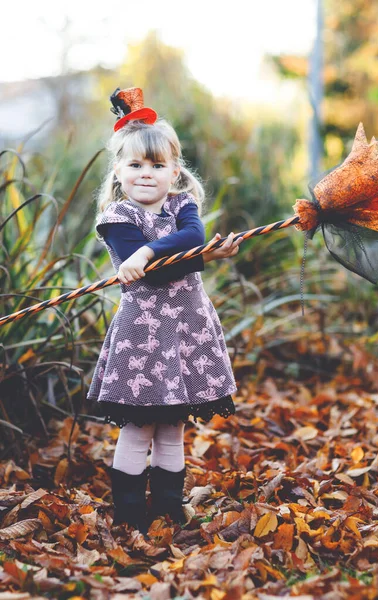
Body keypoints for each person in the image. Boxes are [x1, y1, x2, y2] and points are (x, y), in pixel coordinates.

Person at [86, 87, 243, 538]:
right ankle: (131, 514)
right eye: (135, 165)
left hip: (186, 330)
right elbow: (152, 276)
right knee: (138, 429)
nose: (146, 174)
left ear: (175, 171)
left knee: (172, 428)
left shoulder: (182, 206)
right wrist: (150, 257)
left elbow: (192, 238)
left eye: (157, 166)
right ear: (119, 171)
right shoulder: (117, 218)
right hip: (143, 336)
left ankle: (170, 510)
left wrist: (159, 250)